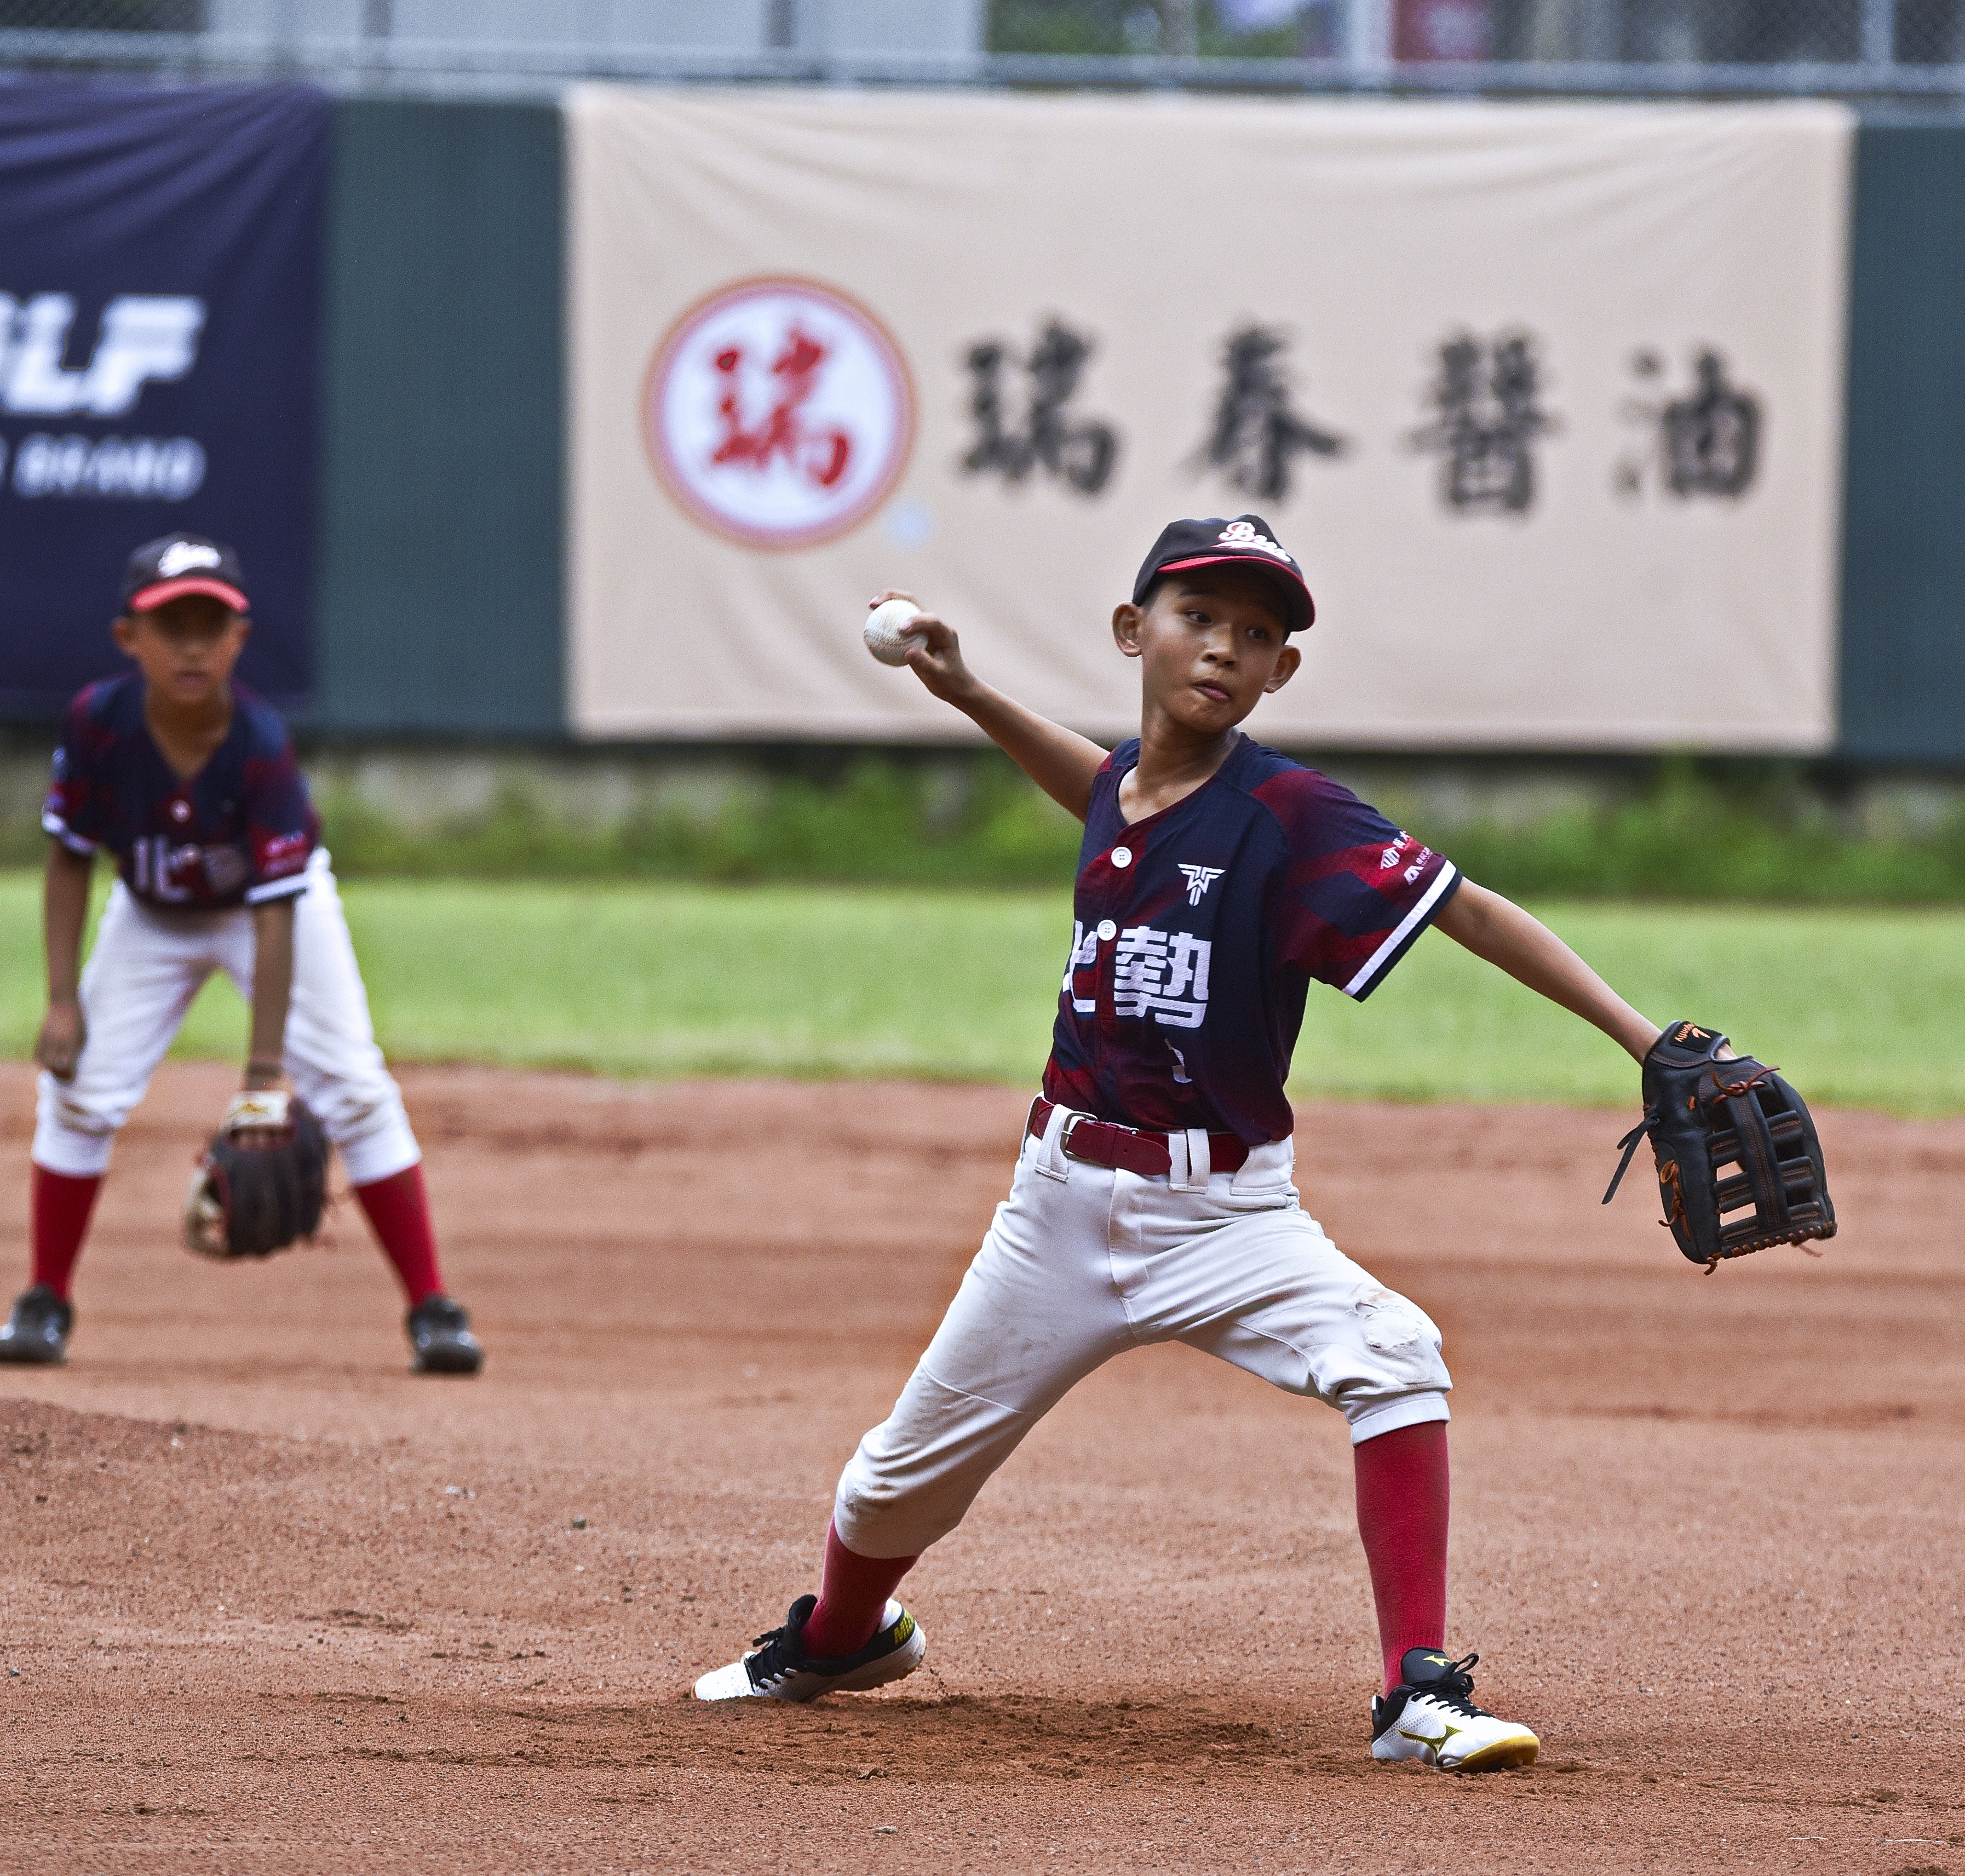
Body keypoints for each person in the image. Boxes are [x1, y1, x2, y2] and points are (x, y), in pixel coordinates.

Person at [690, 515, 1662, 1771]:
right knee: (888, 1490)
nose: (1224, 649)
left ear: (1280, 676)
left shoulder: (1291, 815)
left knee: (1394, 1352)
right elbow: (1098, 788)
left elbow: (1465, 909)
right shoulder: (1125, 795)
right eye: (1198, 618)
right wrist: (969, 689)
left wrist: (1644, 1043)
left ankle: (1417, 1692)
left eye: (1258, 636)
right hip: (1053, 1211)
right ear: (1131, 631)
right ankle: (841, 1638)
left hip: (1226, 1218)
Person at [0, 532, 482, 1376]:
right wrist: (62, 998)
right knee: (76, 1091)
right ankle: (44, 1298)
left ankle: (434, 1307)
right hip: (151, 915)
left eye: (208, 624)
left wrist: (261, 1078)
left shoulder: (259, 743)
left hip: (274, 910)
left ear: (240, 638)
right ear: (127, 639)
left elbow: (275, 914)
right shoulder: (97, 725)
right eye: (168, 622)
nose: (190, 643)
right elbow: (70, 855)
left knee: (356, 1087)